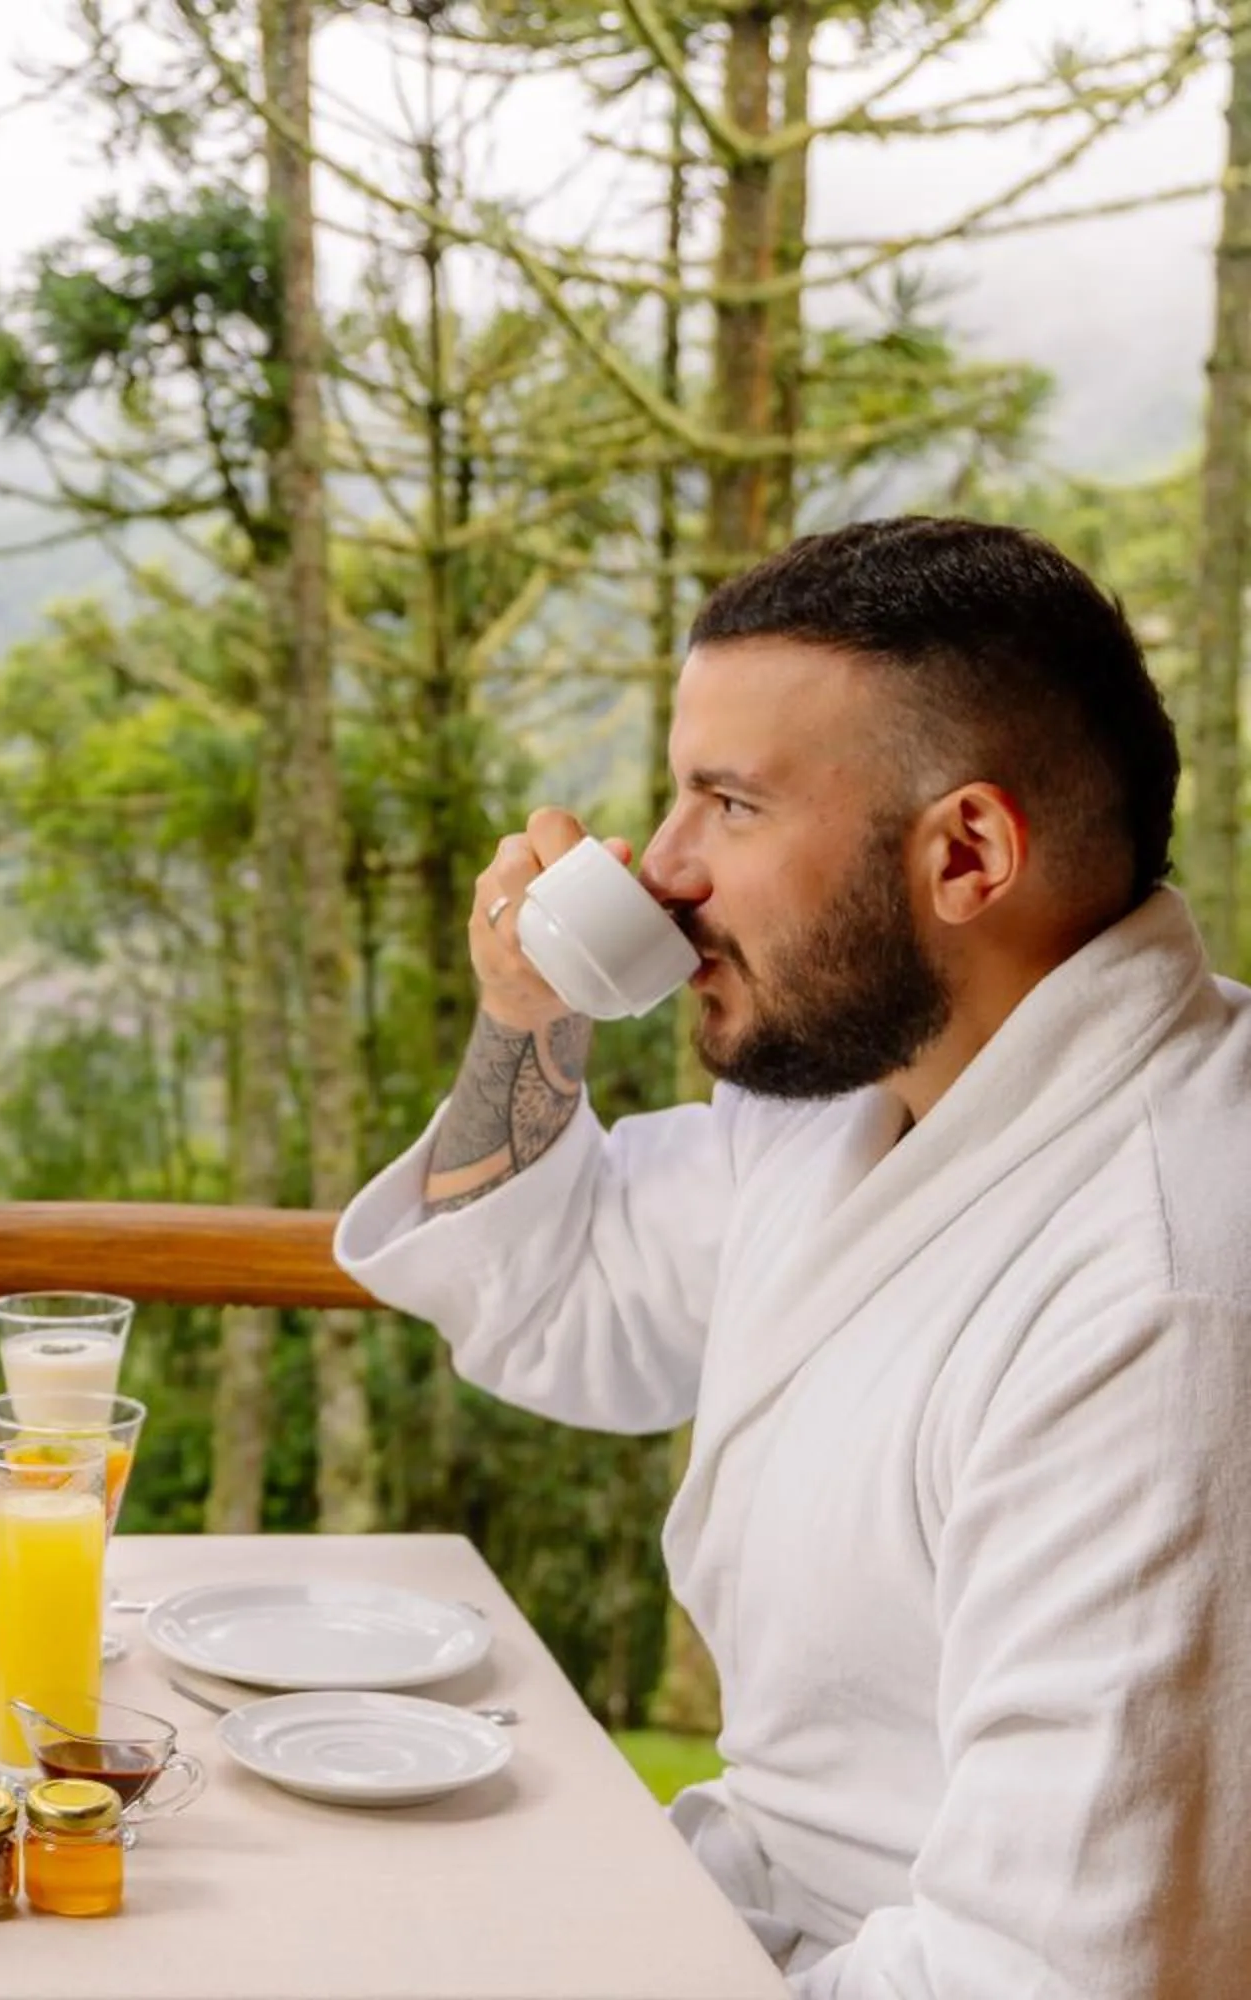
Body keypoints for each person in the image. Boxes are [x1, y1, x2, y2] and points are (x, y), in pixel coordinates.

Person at [336, 517, 1251, 1996]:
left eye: (731, 805)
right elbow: (566, 1303)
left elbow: (1061, 1974)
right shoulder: (853, 1104)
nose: (663, 869)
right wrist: (530, 1013)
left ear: (966, 853)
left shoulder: (1169, 1290)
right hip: (747, 1919)